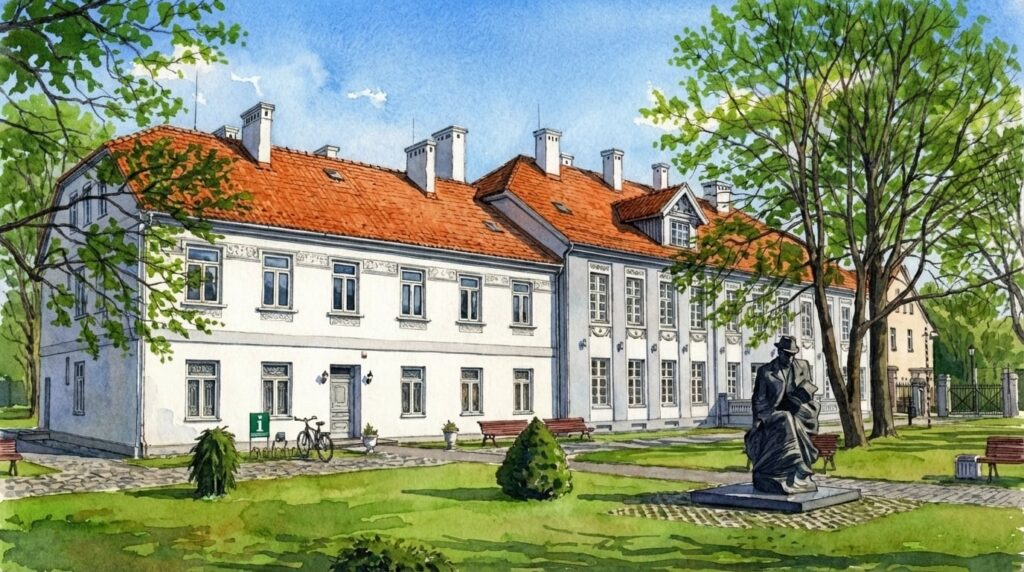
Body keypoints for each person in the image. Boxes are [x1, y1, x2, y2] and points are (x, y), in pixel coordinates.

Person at [744, 335, 820, 494]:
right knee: (785, 417)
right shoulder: (766, 372)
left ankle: (796, 470)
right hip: (772, 415)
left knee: (791, 417)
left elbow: (808, 387)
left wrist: (800, 399)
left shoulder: (802, 366)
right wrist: (763, 419)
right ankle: (798, 463)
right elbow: (758, 401)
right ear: (779, 352)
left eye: (793, 354)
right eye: (787, 354)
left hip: (797, 413)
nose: (791, 358)